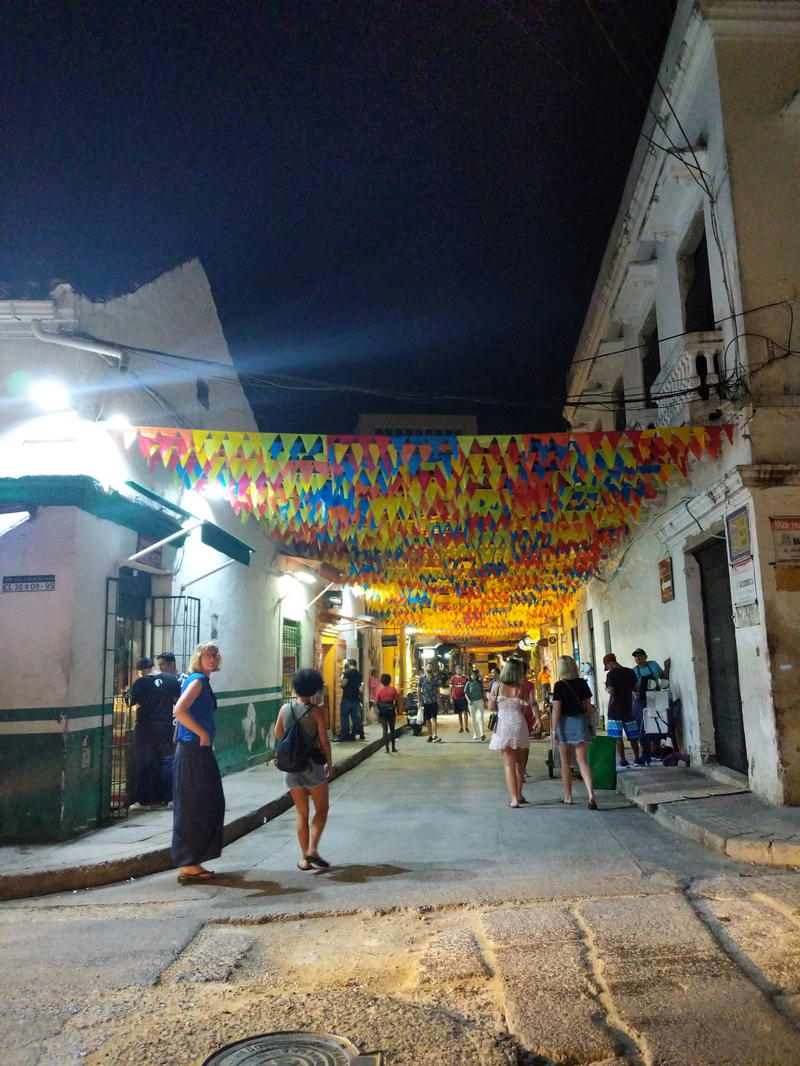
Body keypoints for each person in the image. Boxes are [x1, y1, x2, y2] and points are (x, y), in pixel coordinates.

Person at [172, 642, 225, 884]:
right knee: (196, 805)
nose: (212, 659)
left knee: (205, 803)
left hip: (196, 750)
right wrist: (202, 733)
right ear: (198, 658)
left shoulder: (202, 681)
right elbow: (179, 710)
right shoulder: (197, 681)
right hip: (193, 750)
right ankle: (189, 863)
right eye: (207, 655)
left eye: (215, 655)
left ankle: (191, 861)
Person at [274, 667, 334, 871]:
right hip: (313, 766)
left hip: (291, 767)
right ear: (315, 689)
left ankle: (305, 860)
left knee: (301, 812)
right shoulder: (317, 712)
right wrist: (330, 764)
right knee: (322, 808)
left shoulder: (285, 709)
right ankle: (312, 849)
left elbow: (278, 733)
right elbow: (324, 742)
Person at [127, 657, 180, 807]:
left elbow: (129, 701)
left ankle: (145, 800)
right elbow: (179, 699)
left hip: (145, 729)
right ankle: (171, 798)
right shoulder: (170, 679)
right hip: (166, 726)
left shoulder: (140, 682)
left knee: (145, 763)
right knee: (168, 761)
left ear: (141, 671)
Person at [551, 655, 598, 809]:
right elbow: (589, 706)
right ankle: (591, 794)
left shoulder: (559, 685)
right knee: (582, 760)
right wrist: (591, 724)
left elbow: (556, 709)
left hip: (564, 724)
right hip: (579, 722)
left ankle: (568, 796)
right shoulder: (582, 683)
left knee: (565, 762)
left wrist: (553, 729)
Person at [487, 658, 531, 808]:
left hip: (503, 724)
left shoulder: (497, 687)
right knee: (520, 764)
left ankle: (514, 799)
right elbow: (525, 709)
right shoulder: (521, 688)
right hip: (519, 724)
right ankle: (519, 794)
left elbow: (491, 707)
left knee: (508, 765)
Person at [603, 652, 643, 768]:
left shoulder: (611, 675)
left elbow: (611, 691)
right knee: (633, 736)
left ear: (609, 663)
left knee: (617, 737)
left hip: (615, 710)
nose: (608, 668)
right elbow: (636, 689)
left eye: (607, 666)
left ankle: (623, 760)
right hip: (628, 708)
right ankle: (637, 758)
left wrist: (607, 688)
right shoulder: (630, 672)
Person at [632, 648, 666, 763]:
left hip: (656, 697)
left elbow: (663, 676)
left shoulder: (653, 665)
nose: (638, 658)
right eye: (636, 656)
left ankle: (655, 749)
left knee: (657, 724)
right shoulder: (634, 671)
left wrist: (667, 667)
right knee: (642, 726)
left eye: (640, 656)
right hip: (641, 700)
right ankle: (645, 753)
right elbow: (632, 687)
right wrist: (635, 693)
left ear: (646, 657)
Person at [337, 658, 364, 742]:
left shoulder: (347, 672)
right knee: (355, 718)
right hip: (355, 698)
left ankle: (345, 735)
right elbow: (360, 686)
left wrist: (340, 684)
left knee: (344, 717)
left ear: (349, 664)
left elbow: (344, 684)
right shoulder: (359, 674)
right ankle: (354, 734)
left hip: (347, 698)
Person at [375, 673, 399, 753]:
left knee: (385, 730)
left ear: (381, 681)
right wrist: (394, 708)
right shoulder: (393, 689)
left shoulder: (379, 690)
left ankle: (387, 749)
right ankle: (393, 747)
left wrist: (379, 709)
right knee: (392, 729)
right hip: (391, 709)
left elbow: (377, 702)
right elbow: (397, 700)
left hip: (382, 710)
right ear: (390, 681)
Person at [418, 663, 442, 743]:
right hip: (425, 701)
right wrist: (419, 701)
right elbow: (418, 690)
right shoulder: (421, 678)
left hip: (433, 701)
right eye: (428, 666)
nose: (429, 668)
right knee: (427, 719)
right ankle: (430, 735)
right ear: (425, 668)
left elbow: (438, 690)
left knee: (434, 718)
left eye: (431, 667)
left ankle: (435, 734)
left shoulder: (435, 678)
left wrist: (439, 700)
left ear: (432, 669)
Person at [465, 668, 486, 740]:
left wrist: (484, 700)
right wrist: (468, 700)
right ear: (470, 675)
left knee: (481, 717)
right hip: (472, 702)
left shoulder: (480, 683)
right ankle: (475, 734)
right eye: (472, 674)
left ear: (477, 675)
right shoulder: (468, 683)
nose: (473, 676)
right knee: (473, 718)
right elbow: (465, 693)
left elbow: (482, 692)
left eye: (474, 674)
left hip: (480, 701)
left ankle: (482, 734)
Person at [449, 664, 469, 733]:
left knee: (465, 713)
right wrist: (451, 698)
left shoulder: (465, 678)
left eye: (460, 669)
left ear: (462, 670)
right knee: (459, 714)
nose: (458, 670)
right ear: (455, 671)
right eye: (457, 669)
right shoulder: (453, 678)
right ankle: (461, 727)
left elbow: (468, 688)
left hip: (464, 698)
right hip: (456, 698)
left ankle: (466, 727)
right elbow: (450, 689)